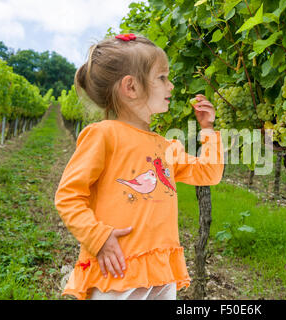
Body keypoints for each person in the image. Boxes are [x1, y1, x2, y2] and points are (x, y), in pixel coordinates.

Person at [54, 34, 224, 300]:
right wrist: (98, 238)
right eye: (162, 78)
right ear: (131, 87)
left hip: (161, 271)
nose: (171, 86)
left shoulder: (165, 146)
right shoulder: (103, 135)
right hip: (117, 272)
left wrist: (208, 130)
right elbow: (68, 197)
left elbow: (209, 173)